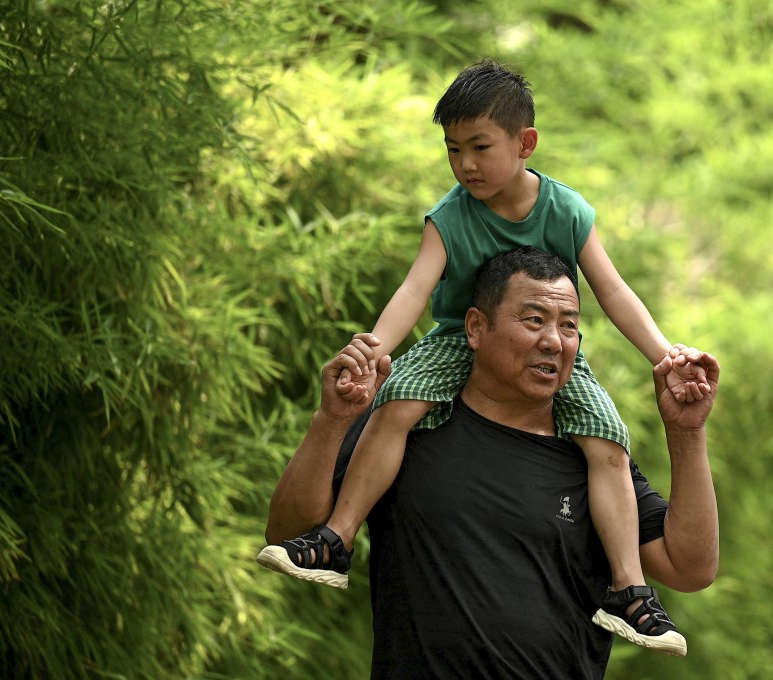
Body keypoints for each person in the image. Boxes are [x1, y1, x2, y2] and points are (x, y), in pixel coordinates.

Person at [257, 59, 711, 650]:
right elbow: (416, 289)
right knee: (395, 406)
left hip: (556, 370)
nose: (465, 164)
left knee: (608, 442)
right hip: (450, 343)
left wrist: (665, 355)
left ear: (525, 144)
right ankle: (337, 539)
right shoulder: (450, 216)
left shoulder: (567, 210)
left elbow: (613, 291)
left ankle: (629, 592)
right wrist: (375, 349)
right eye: (452, 150)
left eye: (479, 147)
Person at [261, 248, 720, 677]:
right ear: (476, 327)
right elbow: (288, 532)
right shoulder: (404, 429)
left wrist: (686, 432)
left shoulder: (596, 460)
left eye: (568, 326)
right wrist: (332, 421)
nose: (553, 342)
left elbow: (690, 567)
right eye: (534, 319)